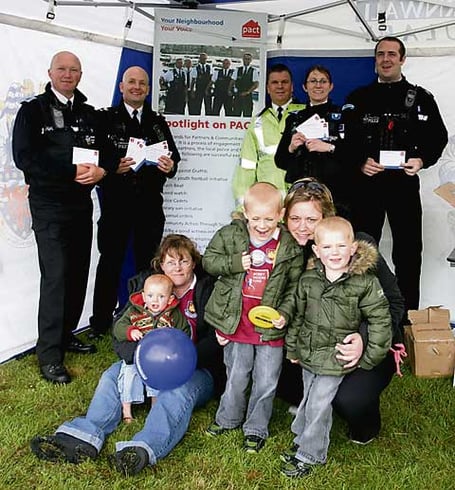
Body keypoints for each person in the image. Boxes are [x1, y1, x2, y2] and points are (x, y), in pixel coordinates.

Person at [30, 234, 223, 476]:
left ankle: (142, 449)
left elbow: (217, 338)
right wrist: (139, 358)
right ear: (161, 265)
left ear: (194, 263)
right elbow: (119, 330)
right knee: (112, 377)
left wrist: (183, 361)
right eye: (170, 262)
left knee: (177, 392)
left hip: (193, 369)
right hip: (147, 361)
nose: (177, 267)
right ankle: (81, 437)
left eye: (183, 261)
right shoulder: (145, 286)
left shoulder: (209, 289)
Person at [277, 178, 405, 446]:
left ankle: (365, 422)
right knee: (272, 367)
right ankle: (308, 402)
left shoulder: (356, 247)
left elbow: (394, 302)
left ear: (327, 217)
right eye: (295, 218)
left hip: (363, 339)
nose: (302, 226)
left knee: (349, 398)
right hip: (313, 341)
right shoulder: (284, 251)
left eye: (311, 219)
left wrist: (363, 338)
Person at [12, 51, 113, 384]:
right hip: (49, 206)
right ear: (50, 73)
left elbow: (108, 152)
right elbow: (24, 158)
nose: (68, 74)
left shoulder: (88, 113)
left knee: (77, 273)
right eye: (62, 69)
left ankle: (66, 334)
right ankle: (49, 355)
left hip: (80, 206)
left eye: (74, 70)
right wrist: (70, 172)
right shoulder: (33, 110)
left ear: (80, 75)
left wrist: (102, 170)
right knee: (55, 276)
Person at [280, 216, 392, 478]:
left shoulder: (364, 283)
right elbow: (298, 316)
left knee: (319, 405)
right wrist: (293, 348)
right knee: (308, 399)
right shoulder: (308, 281)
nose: (335, 252)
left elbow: (380, 319)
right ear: (317, 250)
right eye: (327, 247)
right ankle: (301, 439)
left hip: (336, 357)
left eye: (341, 246)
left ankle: (311, 454)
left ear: (352, 248)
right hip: (309, 354)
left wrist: (370, 356)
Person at [344, 36, 448, 311]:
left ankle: (407, 318)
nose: (386, 59)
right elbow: (345, 140)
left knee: (409, 252)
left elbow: (438, 137)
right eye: (381, 54)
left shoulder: (421, 98)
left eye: (392, 54)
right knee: (362, 250)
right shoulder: (358, 98)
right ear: (375, 60)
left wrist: (422, 160)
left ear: (402, 59)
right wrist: (360, 162)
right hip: (367, 185)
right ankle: (362, 314)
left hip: (403, 185)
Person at [203, 182, 303, 453]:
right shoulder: (230, 235)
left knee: (266, 380)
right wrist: (235, 263)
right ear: (245, 212)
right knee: (236, 375)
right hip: (237, 322)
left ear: (281, 214)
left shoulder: (289, 245)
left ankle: (256, 427)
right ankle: (228, 418)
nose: (262, 225)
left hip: (269, 326)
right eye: (256, 218)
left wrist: (285, 313)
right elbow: (208, 261)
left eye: (269, 219)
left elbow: (295, 286)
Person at [88, 66, 180, 339]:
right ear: (122, 86)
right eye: (131, 82)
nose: (137, 87)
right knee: (110, 262)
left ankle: (146, 319)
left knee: (148, 264)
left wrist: (170, 166)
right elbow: (94, 156)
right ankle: (100, 322)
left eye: (142, 83)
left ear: (148, 89)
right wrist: (111, 167)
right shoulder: (105, 118)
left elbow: (173, 158)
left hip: (149, 206)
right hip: (116, 204)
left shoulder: (156, 122)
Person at [275, 65, 351, 217]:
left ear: (331, 86)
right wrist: (291, 147)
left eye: (323, 81)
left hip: (335, 196)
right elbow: (280, 161)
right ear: (305, 87)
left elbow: (354, 157)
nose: (318, 85)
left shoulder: (343, 116)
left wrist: (329, 147)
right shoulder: (294, 118)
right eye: (313, 81)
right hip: (301, 194)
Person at [113, 274, 190, 423]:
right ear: (143, 296)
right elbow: (118, 327)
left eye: (161, 296)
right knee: (129, 375)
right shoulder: (134, 312)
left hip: (159, 358)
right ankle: (127, 410)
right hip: (136, 355)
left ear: (170, 299)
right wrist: (130, 331)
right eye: (150, 296)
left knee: (158, 379)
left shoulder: (173, 315)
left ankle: (155, 406)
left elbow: (184, 331)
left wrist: (174, 341)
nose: (155, 300)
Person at [232, 64, 305, 207]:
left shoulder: (306, 114)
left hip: (302, 203)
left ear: (292, 87)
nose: (280, 86)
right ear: (267, 88)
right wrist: (242, 209)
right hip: (268, 206)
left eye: (284, 82)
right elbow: (246, 167)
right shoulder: (257, 122)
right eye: (275, 82)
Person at [230, 53, 259, 117]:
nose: (246, 60)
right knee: (235, 115)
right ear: (243, 59)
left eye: (248, 59)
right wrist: (229, 90)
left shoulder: (254, 71)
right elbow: (232, 81)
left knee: (247, 115)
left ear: (251, 60)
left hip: (247, 97)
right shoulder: (237, 70)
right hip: (238, 96)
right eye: (245, 59)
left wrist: (248, 92)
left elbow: (256, 84)